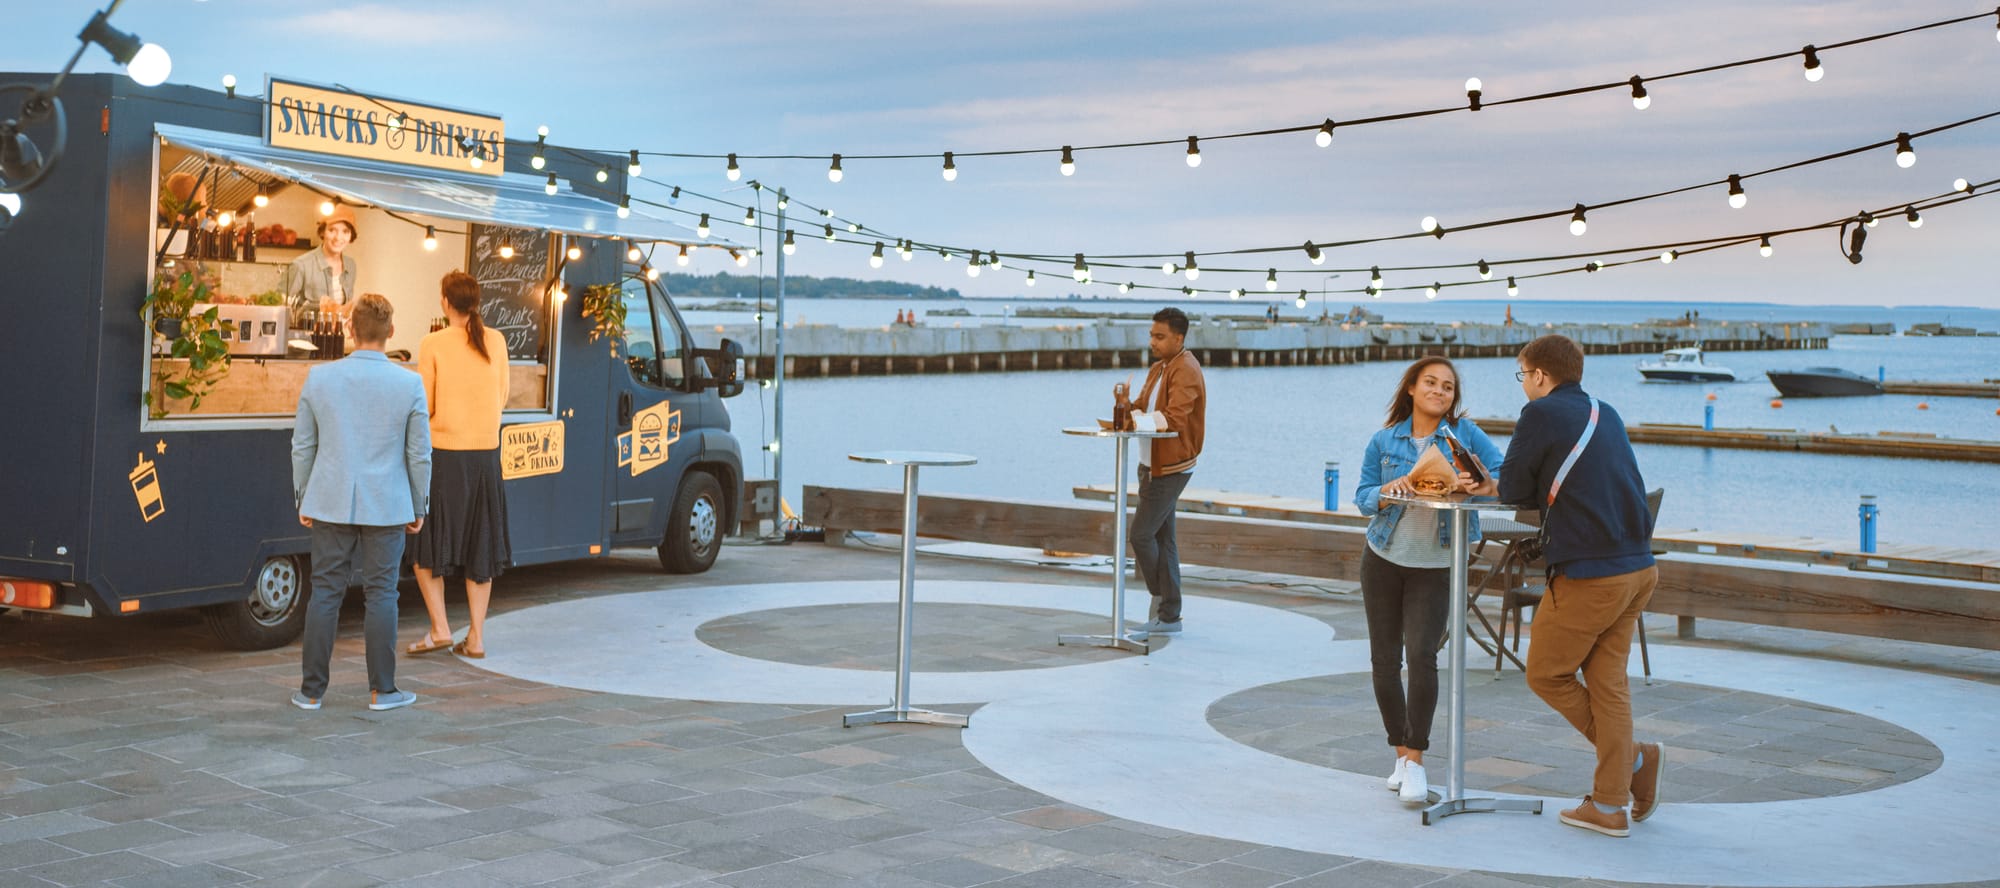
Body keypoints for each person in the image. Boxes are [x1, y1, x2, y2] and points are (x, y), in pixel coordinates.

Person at [1499, 334, 1662, 837]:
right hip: (1639, 569)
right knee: (1609, 687)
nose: (1523, 384)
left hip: (1593, 575)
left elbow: (1510, 491)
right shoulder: (1603, 411)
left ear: (1541, 376)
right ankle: (1612, 802)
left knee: (1546, 673)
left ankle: (1632, 761)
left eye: (1522, 374)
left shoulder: (1540, 413)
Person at [1353, 357, 1503, 804]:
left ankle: (1416, 760)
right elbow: (1362, 498)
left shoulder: (1465, 436)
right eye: (1431, 383)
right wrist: (1389, 490)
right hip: (1382, 557)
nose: (1440, 391)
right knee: (1384, 661)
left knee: (1421, 656)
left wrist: (1477, 484)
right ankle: (1399, 753)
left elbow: (1503, 477)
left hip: (1435, 563)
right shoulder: (1384, 441)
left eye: (1449, 387)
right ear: (1413, 389)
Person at [290, 293, 429, 712]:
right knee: (382, 593)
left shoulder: (319, 378)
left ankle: (311, 692)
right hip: (388, 502)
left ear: (349, 329)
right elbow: (419, 453)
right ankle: (382, 690)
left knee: (326, 593)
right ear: (391, 332)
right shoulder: (409, 383)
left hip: (330, 500)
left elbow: (302, 446)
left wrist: (303, 494)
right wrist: (419, 504)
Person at [405, 271, 512, 660]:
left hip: (443, 456)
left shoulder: (432, 343)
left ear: (445, 302)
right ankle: (477, 638)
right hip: (485, 457)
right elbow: (502, 397)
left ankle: (440, 629)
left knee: (424, 544)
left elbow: (425, 405)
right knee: (479, 546)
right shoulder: (496, 341)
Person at [1127, 307, 1205, 635]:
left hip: (1171, 466)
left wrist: (1136, 419)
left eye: (1159, 337)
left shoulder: (1186, 369)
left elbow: (1174, 418)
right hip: (1151, 463)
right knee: (1163, 538)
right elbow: (1143, 406)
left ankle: (1163, 602)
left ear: (1179, 338)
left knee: (1140, 535)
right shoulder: (1160, 368)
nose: (1152, 342)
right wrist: (1124, 409)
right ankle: (1169, 614)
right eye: (1151, 335)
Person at [281, 204, 360, 335]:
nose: (338, 237)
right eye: (332, 230)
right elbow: (279, 305)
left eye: (345, 231)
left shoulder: (351, 266)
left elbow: (343, 309)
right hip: (305, 341)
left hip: (336, 339)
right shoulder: (301, 265)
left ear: (351, 236)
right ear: (322, 232)